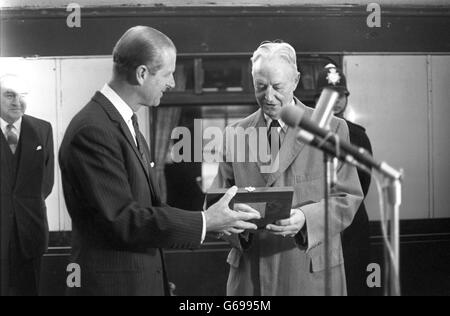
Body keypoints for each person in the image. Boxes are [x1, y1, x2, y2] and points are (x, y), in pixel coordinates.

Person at [59, 26, 260, 296]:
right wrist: (205, 222)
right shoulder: (93, 130)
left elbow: (146, 210)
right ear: (142, 74)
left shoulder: (124, 125)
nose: (173, 83)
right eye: (168, 73)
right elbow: (123, 220)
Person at [213, 42, 363, 296]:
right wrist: (234, 223)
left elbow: (348, 198)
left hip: (310, 276)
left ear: (295, 81)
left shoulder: (333, 129)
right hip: (250, 278)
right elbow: (218, 201)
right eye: (260, 87)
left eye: (277, 87)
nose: (268, 96)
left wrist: (306, 218)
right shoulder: (234, 134)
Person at [316, 64, 373, 296]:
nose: (337, 100)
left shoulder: (357, 135)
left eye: (342, 95)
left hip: (351, 225)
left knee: (353, 284)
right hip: (316, 220)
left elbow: (363, 182)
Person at [0, 74, 54, 296]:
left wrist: (25, 207)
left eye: (22, 95)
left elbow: (46, 181)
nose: (17, 101)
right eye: (10, 95)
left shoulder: (42, 129)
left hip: (30, 232)